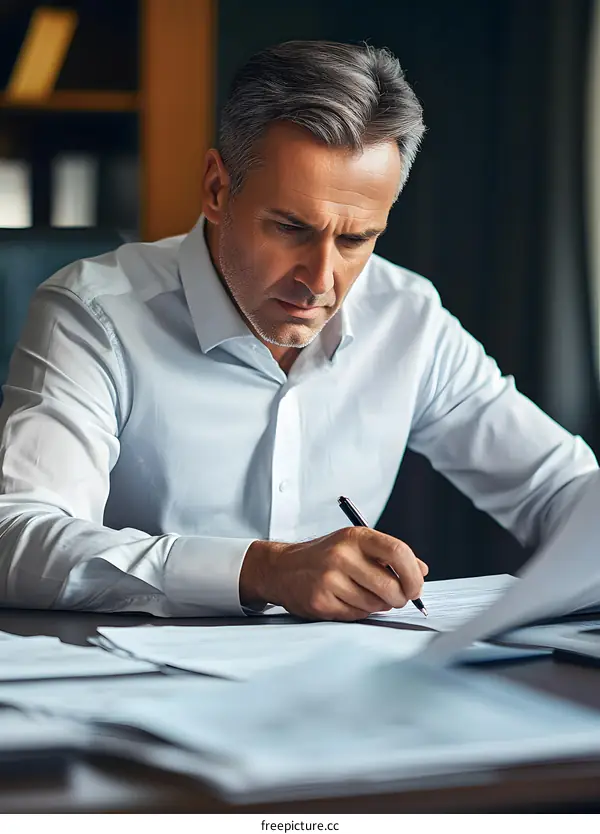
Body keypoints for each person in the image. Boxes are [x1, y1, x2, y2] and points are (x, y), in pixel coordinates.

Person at [0, 40, 596, 620]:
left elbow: (562, 489)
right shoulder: (92, 313)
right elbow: (16, 538)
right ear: (215, 188)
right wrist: (261, 570)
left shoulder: (407, 316)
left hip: (339, 694)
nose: (321, 280)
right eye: (290, 227)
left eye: (356, 239)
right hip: (123, 696)